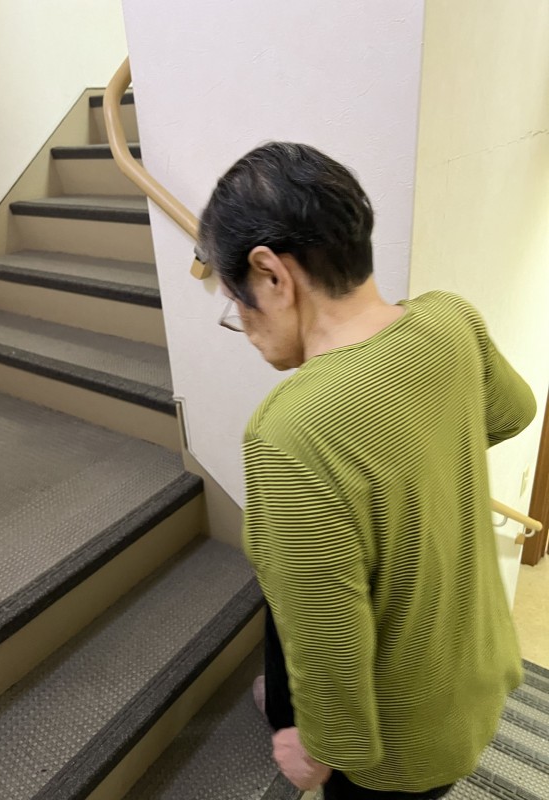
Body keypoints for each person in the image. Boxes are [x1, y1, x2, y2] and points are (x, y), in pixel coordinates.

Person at [198, 142, 537, 799]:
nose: (241, 319)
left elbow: (329, 633)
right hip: (478, 671)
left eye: (235, 299)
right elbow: (514, 411)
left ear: (270, 274)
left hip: (401, 740)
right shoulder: (451, 321)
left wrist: (319, 747)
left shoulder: (289, 431)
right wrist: (423, 463)